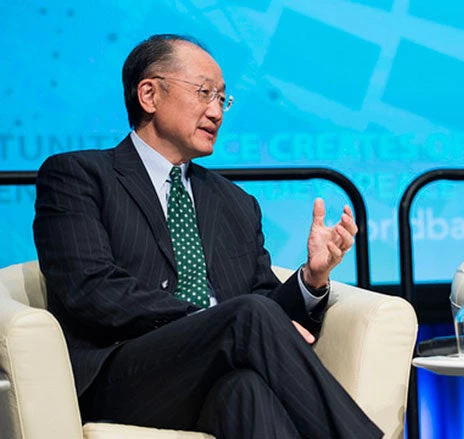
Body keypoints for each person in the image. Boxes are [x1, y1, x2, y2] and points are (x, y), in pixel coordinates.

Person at [33, 34, 382, 438]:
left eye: (222, 99)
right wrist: (209, 319)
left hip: (213, 376)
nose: (216, 112)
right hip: (123, 376)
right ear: (149, 94)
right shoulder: (79, 176)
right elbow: (89, 287)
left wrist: (311, 279)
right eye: (204, 93)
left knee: (245, 392)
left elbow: (267, 305)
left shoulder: (235, 201)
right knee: (246, 316)